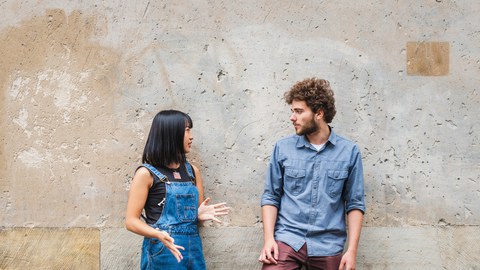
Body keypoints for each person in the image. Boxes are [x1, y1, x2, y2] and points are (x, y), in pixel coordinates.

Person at [259, 78, 365, 270]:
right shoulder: (282, 148)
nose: (292, 117)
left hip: (328, 244)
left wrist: (351, 251)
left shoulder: (349, 152)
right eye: (292, 111)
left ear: (319, 113)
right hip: (288, 239)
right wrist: (268, 240)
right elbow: (270, 196)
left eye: (299, 111)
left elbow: (355, 203)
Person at [126, 109, 229, 270]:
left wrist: (199, 215)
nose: (191, 136)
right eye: (187, 130)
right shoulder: (146, 174)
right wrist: (157, 233)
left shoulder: (192, 171)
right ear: (171, 134)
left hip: (193, 248)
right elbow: (131, 221)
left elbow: (195, 214)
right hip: (163, 249)